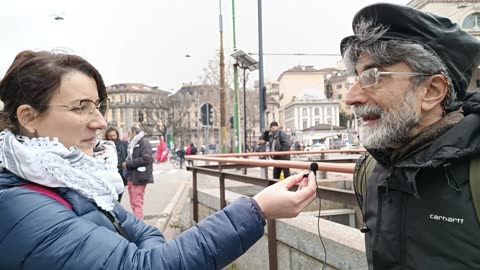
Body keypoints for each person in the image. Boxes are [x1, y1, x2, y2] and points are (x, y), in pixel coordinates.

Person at [0, 50, 317, 270]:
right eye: (81, 106)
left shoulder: (74, 181)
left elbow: (149, 236)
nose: (99, 122)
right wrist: (257, 210)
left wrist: (144, 256)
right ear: (29, 117)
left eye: (98, 106)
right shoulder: (19, 207)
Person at [341, 3, 480, 269]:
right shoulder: (370, 170)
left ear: (431, 91)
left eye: (372, 76)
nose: (351, 98)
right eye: (355, 79)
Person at [121, 126, 153, 220]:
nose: (128, 135)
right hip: (132, 176)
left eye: (129, 133)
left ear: (134, 132)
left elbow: (146, 158)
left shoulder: (143, 142)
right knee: (133, 202)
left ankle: (140, 225)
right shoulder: (133, 143)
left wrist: (128, 164)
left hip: (139, 176)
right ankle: (138, 222)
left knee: (137, 202)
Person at [105, 127, 128, 202]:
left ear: (117, 135)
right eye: (110, 136)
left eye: (114, 136)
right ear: (107, 136)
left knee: (119, 195)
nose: (112, 138)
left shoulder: (124, 145)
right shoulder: (104, 146)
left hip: (121, 174)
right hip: (108, 175)